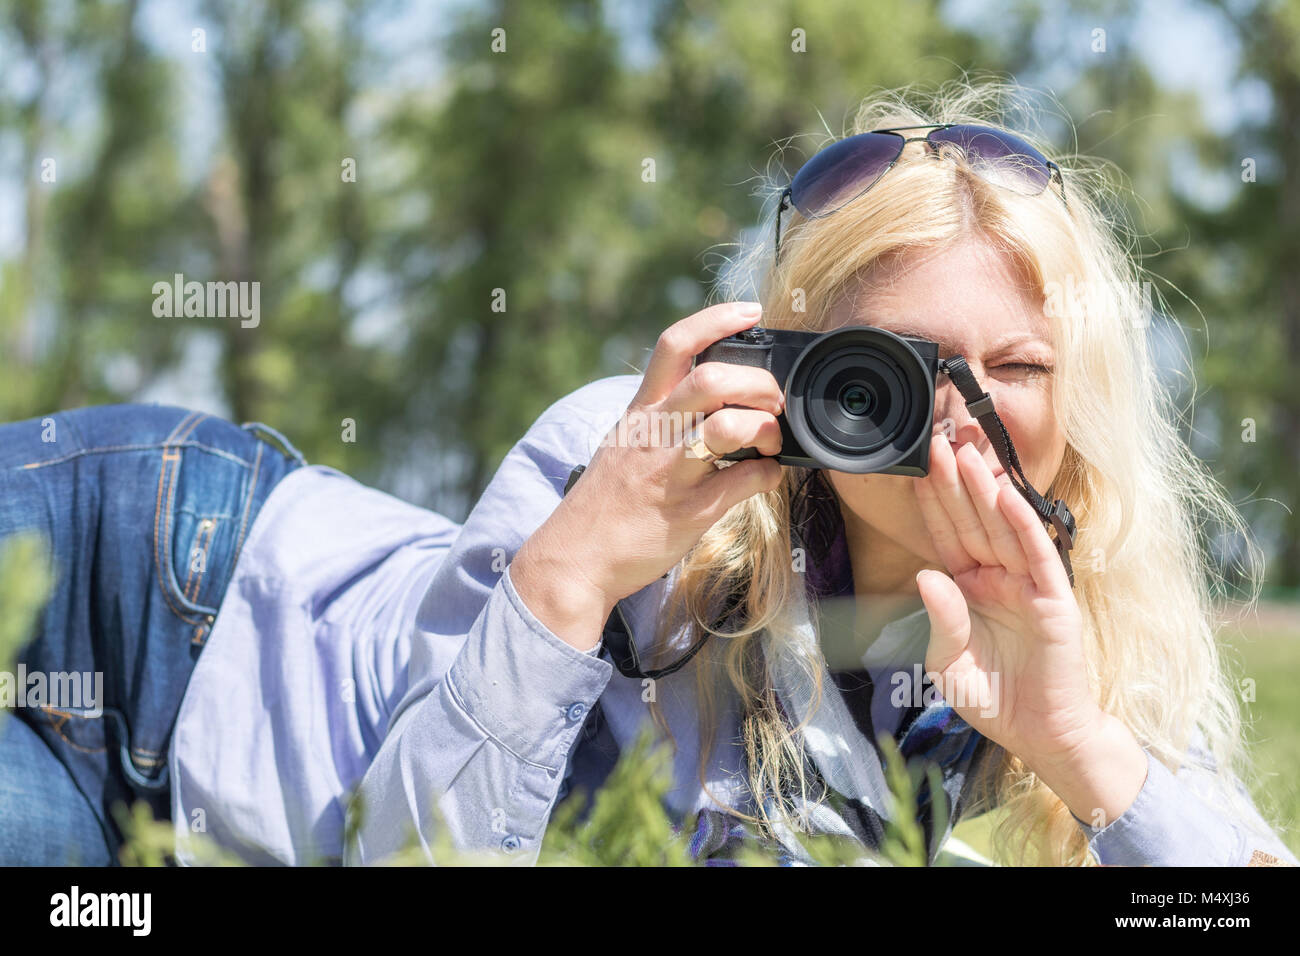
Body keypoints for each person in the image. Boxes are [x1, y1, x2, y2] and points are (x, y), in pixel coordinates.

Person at [0, 79, 1294, 867]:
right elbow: (413, 852)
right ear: (804, 368)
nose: (956, 421)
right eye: (897, 370)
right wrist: (576, 568)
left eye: (1011, 370)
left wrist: (1074, 740)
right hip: (136, 574)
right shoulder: (657, 461)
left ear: (1080, 405)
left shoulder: (1079, 627)